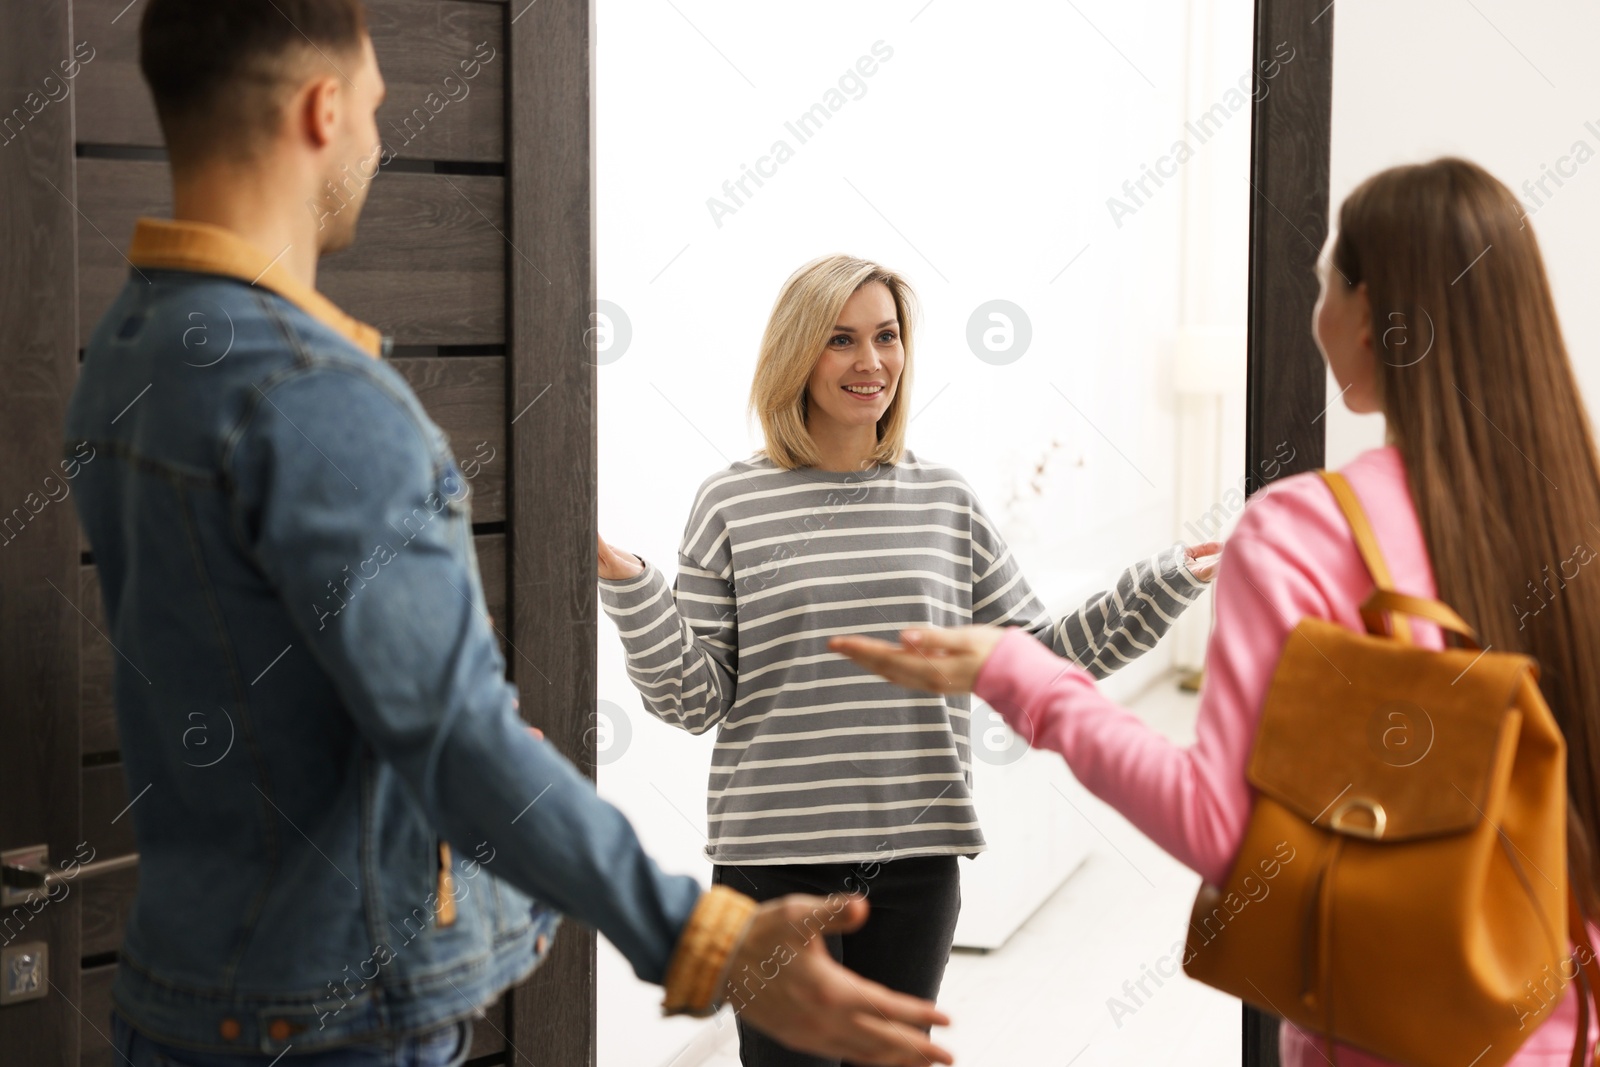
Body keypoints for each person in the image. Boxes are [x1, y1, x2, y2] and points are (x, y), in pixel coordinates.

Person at [64, 3, 953, 1065]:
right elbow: (452, 737)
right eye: (375, 112)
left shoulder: (127, 353)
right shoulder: (320, 399)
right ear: (321, 108)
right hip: (329, 1017)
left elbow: (261, 674)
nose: (377, 146)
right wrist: (705, 937)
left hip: (177, 987)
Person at [830, 157, 1600, 1064]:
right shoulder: (1574, 517)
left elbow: (1224, 830)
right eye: (844, 339)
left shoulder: (1304, 533)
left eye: (1323, 283)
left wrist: (1015, 675)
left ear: (1367, 314)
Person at [597, 254, 1217, 1066]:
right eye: (841, 340)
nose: (872, 362)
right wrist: (634, 586)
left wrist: (1164, 582)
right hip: (771, 863)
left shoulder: (944, 499)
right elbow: (692, 697)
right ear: (797, 355)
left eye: (887, 336)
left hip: (915, 859)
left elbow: (1036, 657)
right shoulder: (732, 502)